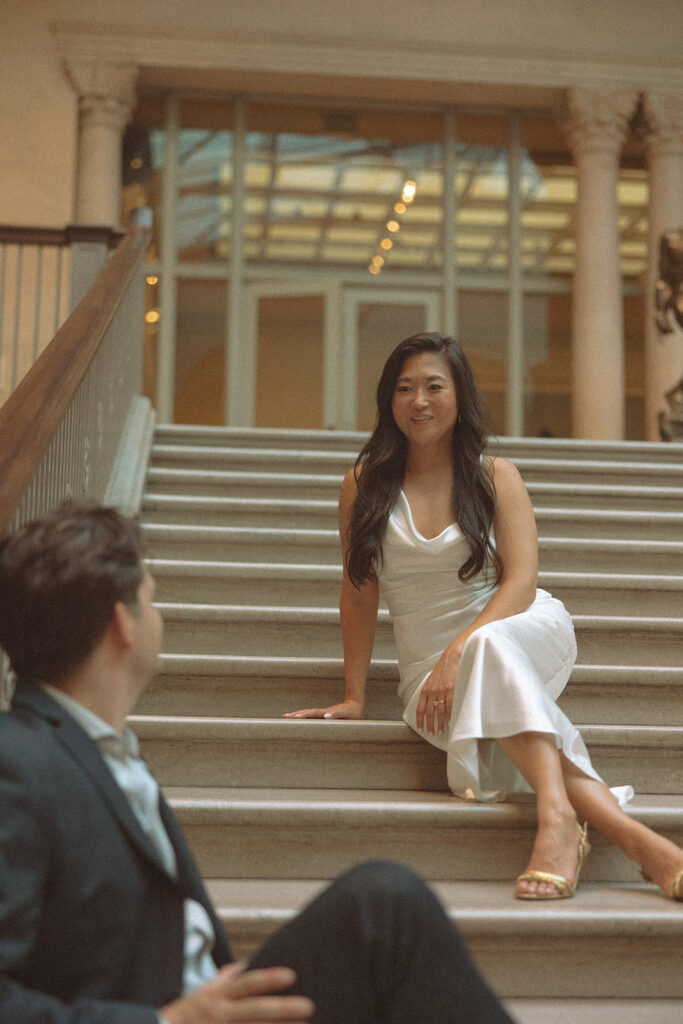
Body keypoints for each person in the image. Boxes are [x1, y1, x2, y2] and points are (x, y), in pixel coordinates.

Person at [0, 501, 516, 1024]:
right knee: (386, 903)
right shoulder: (15, 765)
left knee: (380, 909)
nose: (159, 616)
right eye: (150, 601)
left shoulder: (102, 750)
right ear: (122, 624)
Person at [286, 331, 683, 904]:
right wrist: (353, 696)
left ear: (460, 395)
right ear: (387, 400)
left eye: (433, 387)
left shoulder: (497, 475)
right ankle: (641, 842)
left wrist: (459, 649)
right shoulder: (362, 486)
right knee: (495, 693)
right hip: (430, 675)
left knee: (488, 651)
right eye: (404, 389)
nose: (418, 401)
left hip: (521, 627)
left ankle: (556, 823)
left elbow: (520, 582)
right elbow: (359, 592)